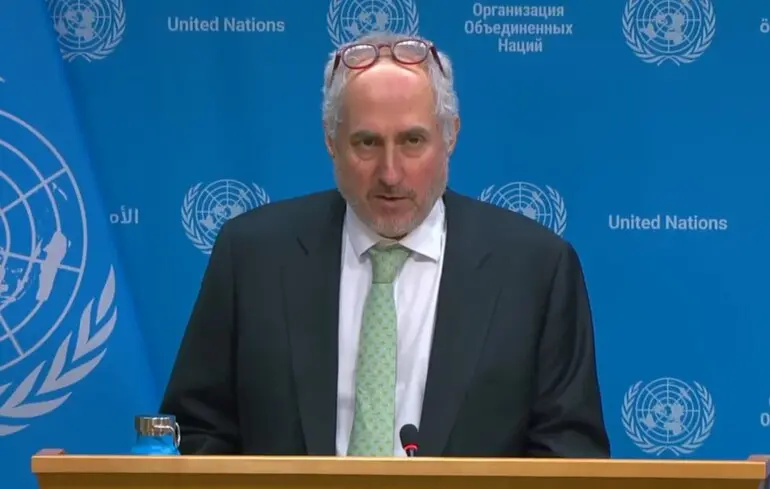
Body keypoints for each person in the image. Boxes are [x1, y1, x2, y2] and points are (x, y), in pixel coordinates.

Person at [159, 31, 611, 458]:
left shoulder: (536, 270)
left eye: (413, 140)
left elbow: (568, 455)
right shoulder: (253, 256)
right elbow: (197, 431)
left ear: (451, 135)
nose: (390, 173)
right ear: (331, 141)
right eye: (367, 142)